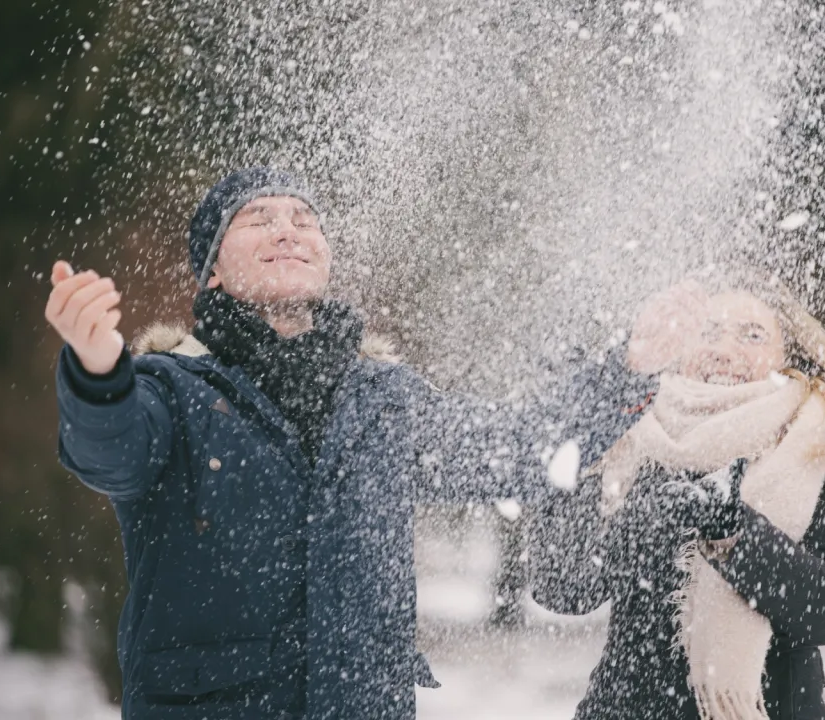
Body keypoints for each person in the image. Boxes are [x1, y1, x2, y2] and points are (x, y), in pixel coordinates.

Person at [45, 167, 655, 720]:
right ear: (213, 271)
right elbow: (108, 454)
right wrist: (98, 373)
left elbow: (515, 449)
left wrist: (627, 370)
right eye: (258, 219)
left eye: (303, 220)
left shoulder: (384, 399)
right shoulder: (168, 391)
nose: (287, 230)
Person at [528, 275, 825, 720]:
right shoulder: (637, 433)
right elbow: (564, 587)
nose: (723, 349)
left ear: (789, 354)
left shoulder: (823, 446)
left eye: (752, 335)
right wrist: (575, 430)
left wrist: (735, 531)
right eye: (707, 332)